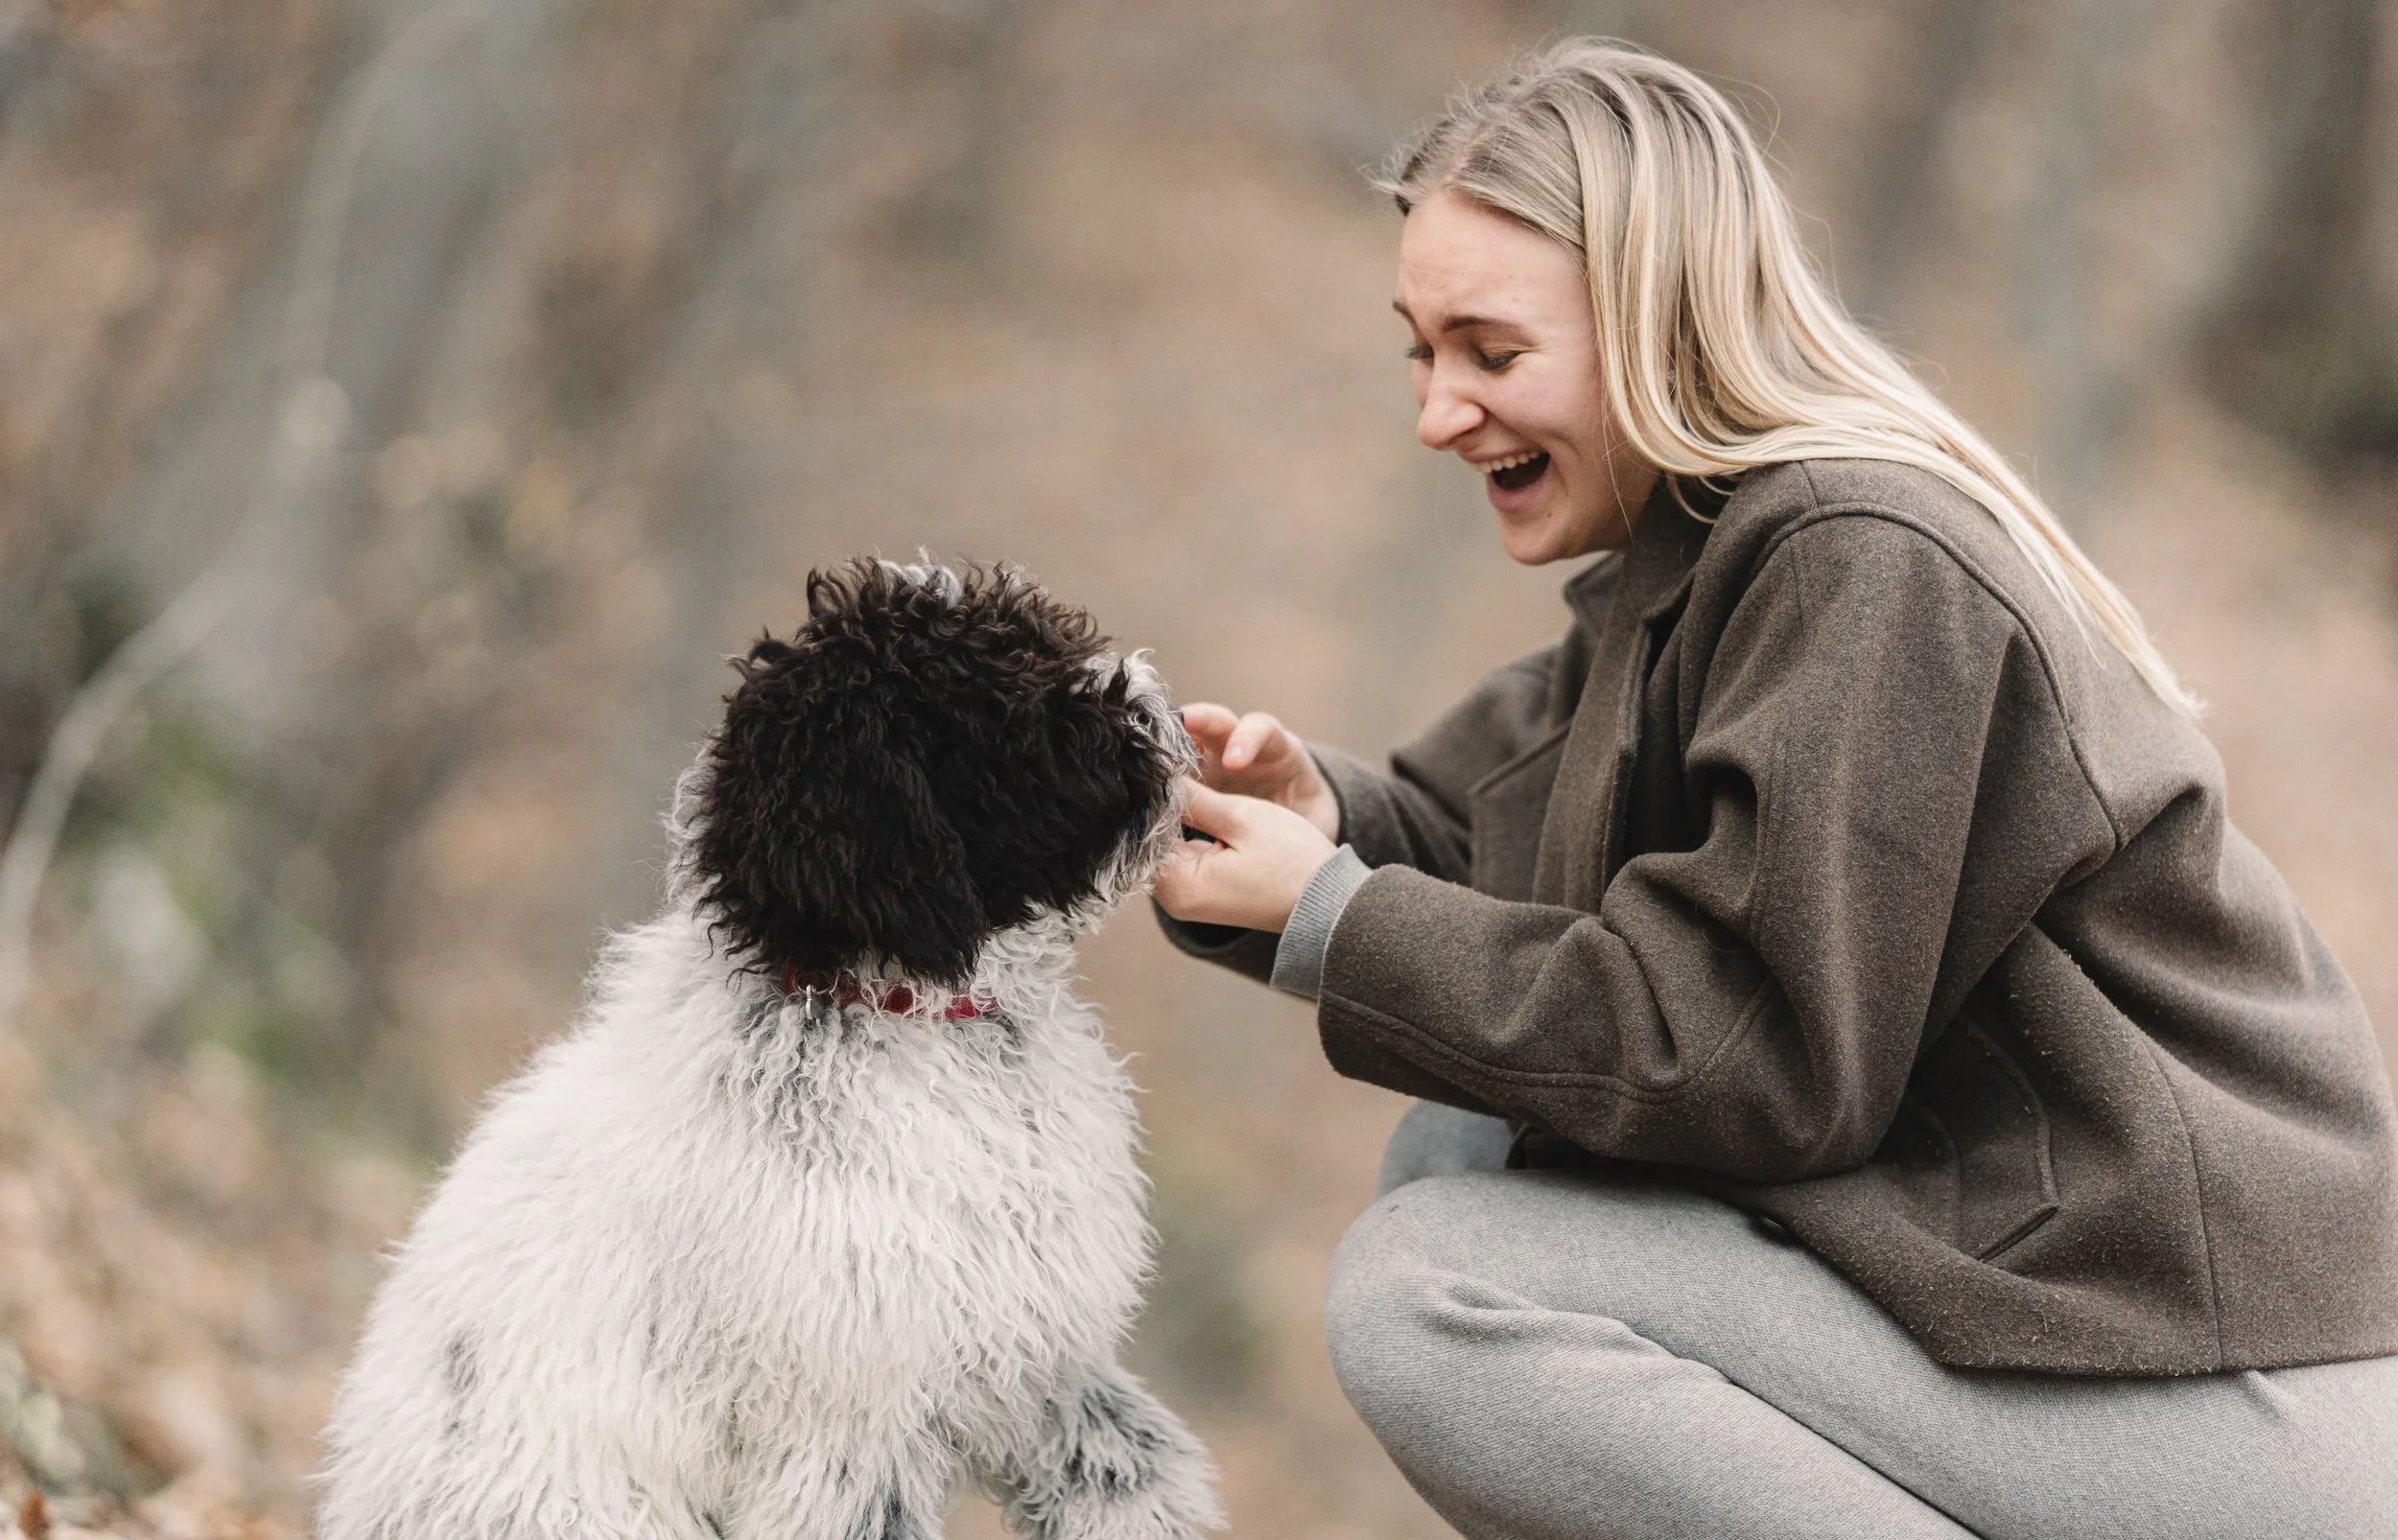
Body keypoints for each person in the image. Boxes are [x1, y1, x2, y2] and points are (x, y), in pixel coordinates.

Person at [1150, 38, 2398, 1540]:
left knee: (1439, 1289)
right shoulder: (1685, 569)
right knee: (1463, 1151)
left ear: (1657, 324)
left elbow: (1751, 1056)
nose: (1437, 410)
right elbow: (1491, 854)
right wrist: (1319, 826)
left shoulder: (1860, 557)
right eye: (1419, 349)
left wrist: (1338, 920)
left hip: (2213, 1379)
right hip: (2027, 1300)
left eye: (1491, 351)